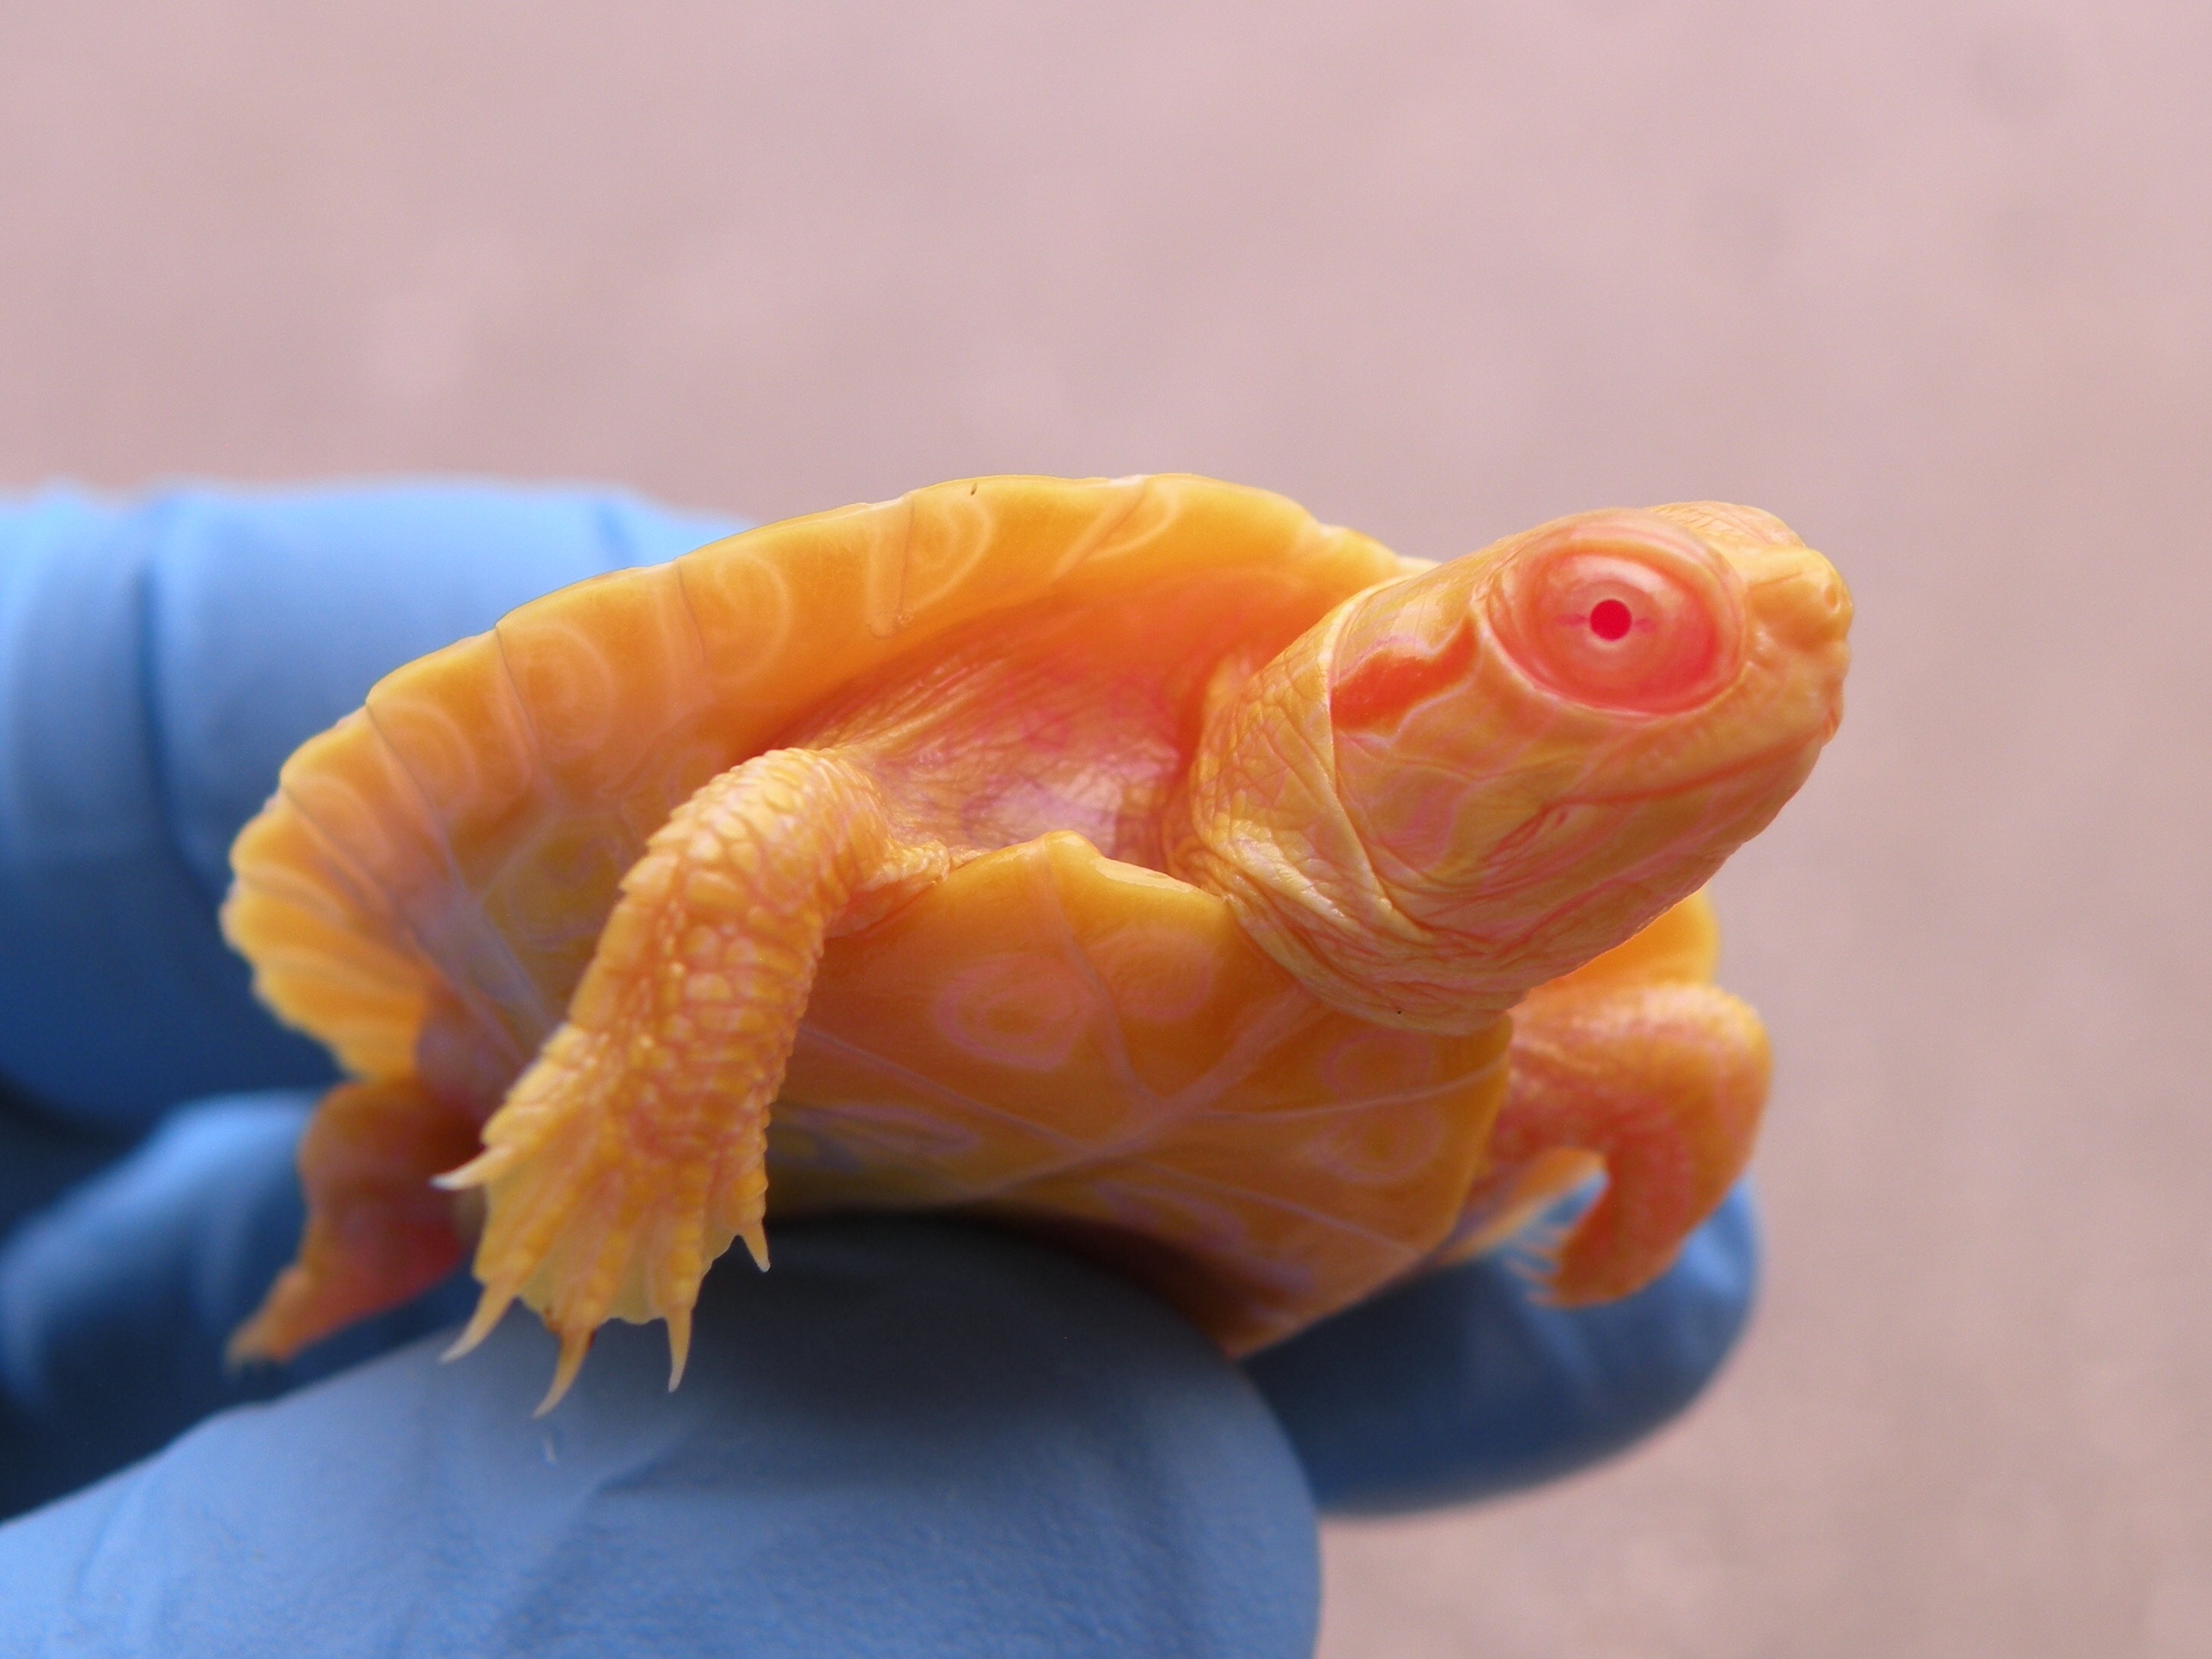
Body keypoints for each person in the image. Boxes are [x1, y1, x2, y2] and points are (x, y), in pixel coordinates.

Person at [0, 485, 1759, 1657]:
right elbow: (775, 819)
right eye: (1614, 626)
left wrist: (1631, 1199)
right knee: (407, 1151)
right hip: (613, 1031)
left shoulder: (1530, 1022)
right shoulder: (1101, 701)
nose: (1784, 647)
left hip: (1147, 1253)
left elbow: (1685, 1057)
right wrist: (652, 1102)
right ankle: (379, 1230)